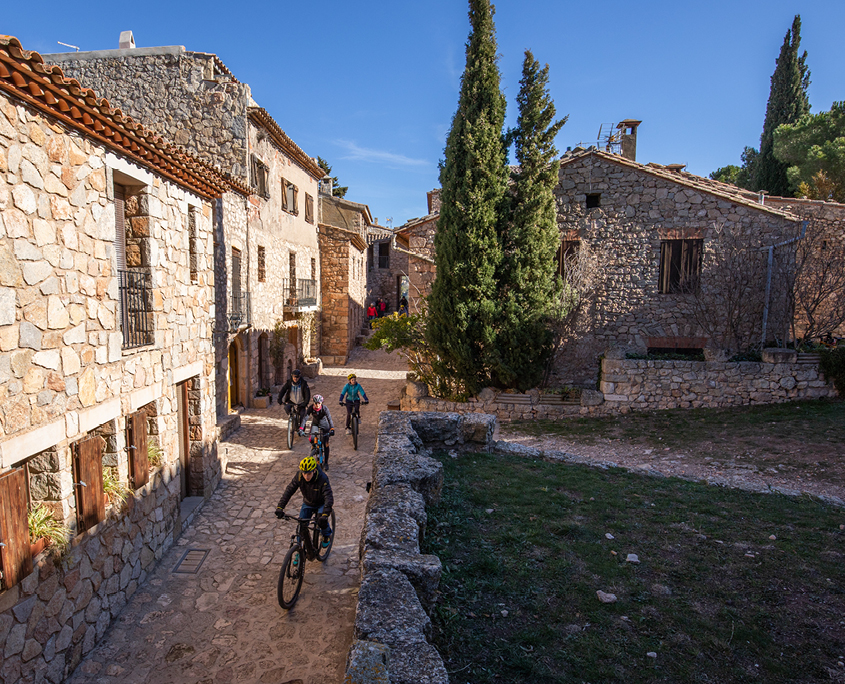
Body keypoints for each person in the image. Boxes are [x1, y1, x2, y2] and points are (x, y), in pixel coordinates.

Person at [274, 456, 333, 547]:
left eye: (309, 473)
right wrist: (280, 507)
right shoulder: (299, 476)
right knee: (301, 527)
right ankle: (299, 549)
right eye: (304, 473)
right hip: (308, 503)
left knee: (321, 521)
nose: (306, 476)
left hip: (321, 503)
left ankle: (326, 535)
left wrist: (325, 514)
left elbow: (328, 497)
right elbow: (289, 490)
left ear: (314, 471)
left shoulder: (322, 478)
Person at [305, 395, 335, 469]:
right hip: (315, 423)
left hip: (324, 425)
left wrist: (332, 428)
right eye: (315, 403)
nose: (317, 405)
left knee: (325, 443)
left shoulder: (325, 408)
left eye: (319, 403)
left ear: (321, 403)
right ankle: (314, 448)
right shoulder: (311, 408)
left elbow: (329, 418)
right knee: (312, 438)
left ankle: (326, 462)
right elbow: (305, 417)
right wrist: (301, 428)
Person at [277, 369, 311, 434]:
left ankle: (301, 428)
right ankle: (292, 419)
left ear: (299, 377)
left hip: (301, 402)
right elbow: (283, 390)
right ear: (292, 376)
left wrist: (305, 403)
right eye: (294, 377)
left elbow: (307, 394)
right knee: (287, 408)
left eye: (297, 377)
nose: (295, 378)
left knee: (302, 415)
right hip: (291, 401)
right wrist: (279, 399)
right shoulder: (289, 383)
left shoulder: (303, 384)